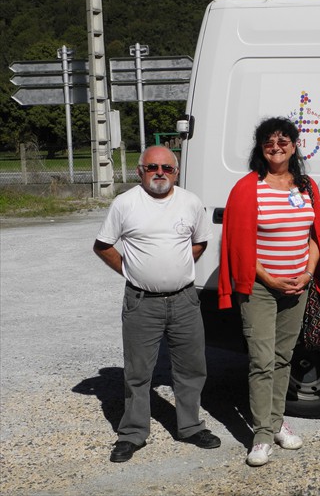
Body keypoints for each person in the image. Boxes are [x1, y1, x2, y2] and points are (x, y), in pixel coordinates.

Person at [93, 145, 221, 463]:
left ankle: (191, 427)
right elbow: (103, 245)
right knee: (138, 373)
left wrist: (176, 266)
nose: (160, 173)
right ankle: (133, 433)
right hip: (141, 303)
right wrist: (130, 269)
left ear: (176, 172)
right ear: (140, 172)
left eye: (167, 168)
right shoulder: (125, 204)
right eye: (152, 167)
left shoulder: (190, 203)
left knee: (191, 368)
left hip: (185, 300)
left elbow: (201, 241)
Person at [218, 117, 320, 467]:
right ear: (261, 148)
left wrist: (307, 274)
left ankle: (277, 422)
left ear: (294, 146)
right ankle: (262, 434)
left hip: (298, 287)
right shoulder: (248, 188)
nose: (276, 147)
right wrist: (272, 279)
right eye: (269, 141)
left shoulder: (306, 187)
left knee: (283, 359)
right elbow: (239, 246)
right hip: (261, 289)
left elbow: (315, 237)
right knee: (261, 361)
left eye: (283, 141)